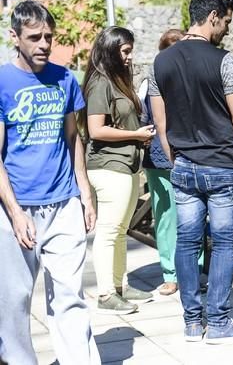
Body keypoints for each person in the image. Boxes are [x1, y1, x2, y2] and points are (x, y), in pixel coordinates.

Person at [149, 0, 233, 344]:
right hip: (223, 167)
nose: (227, 28)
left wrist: (174, 157)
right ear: (213, 16)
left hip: (183, 166)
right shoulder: (223, 60)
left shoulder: (160, 62)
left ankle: (192, 324)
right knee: (225, 243)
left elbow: (160, 123)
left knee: (186, 243)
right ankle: (220, 321)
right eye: (226, 21)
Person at [0, 0, 100, 364]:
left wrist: (85, 193)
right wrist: (14, 212)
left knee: (71, 293)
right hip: (17, 206)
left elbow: (73, 139)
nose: (44, 44)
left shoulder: (65, 79)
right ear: (15, 37)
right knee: (14, 297)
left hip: (63, 203)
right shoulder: (2, 82)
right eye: (35, 37)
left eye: (49, 37)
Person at [83, 26, 156, 314]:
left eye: (130, 50)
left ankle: (119, 287)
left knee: (121, 230)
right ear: (112, 50)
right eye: (125, 51)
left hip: (124, 164)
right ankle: (105, 295)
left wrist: (137, 137)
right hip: (108, 165)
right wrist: (137, 135)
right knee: (109, 231)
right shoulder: (100, 83)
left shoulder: (116, 80)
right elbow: (95, 130)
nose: (129, 56)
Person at [140, 28, 202, 296]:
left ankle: (195, 270)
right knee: (165, 216)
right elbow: (144, 120)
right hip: (158, 158)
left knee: (194, 215)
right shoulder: (149, 82)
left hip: (192, 155)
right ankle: (170, 272)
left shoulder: (196, 78)